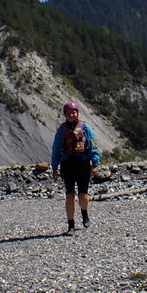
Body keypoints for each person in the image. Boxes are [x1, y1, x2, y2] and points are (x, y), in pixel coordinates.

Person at [51, 101, 100, 235]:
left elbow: (93, 145)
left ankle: (84, 214)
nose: (72, 115)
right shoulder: (61, 130)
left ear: (77, 113)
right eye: (69, 113)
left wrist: (95, 163)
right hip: (67, 165)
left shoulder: (85, 128)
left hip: (83, 164)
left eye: (74, 112)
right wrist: (54, 167)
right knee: (69, 195)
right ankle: (71, 224)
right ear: (65, 115)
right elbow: (56, 149)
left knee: (83, 195)